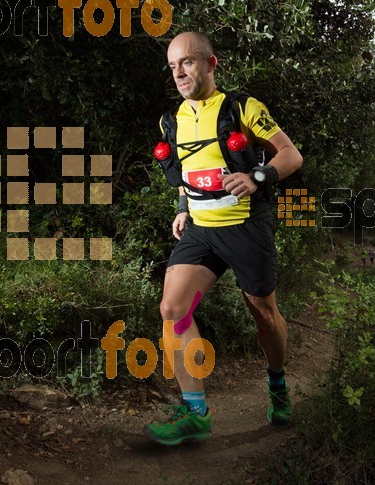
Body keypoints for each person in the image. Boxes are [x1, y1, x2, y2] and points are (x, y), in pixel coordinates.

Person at [143, 32, 303, 446]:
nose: (179, 73)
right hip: (200, 230)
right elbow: (185, 174)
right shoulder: (172, 120)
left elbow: (290, 155)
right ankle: (196, 414)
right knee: (173, 308)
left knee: (264, 315)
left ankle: (278, 384)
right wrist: (182, 209)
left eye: (188, 63)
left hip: (246, 226)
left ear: (211, 64)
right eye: (173, 66)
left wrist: (258, 176)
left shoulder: (242, 108)